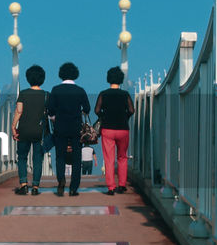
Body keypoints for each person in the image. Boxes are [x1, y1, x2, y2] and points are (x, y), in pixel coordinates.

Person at [45, 61, 90, 197]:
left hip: (60, 127)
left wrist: (54, 117)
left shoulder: (56, 90)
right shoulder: (80, 91)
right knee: (76, 157)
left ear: (61, 75)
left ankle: (61, 181)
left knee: (60, 156)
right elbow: (87, 109)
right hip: (76, 127)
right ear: (75, 75)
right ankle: (73, 188)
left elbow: (50, 109)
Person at [95, 66, 134, 195]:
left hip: (108, 129)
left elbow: (96, 110)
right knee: (122, 157)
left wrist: (103, 117)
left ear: (108, 79)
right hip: (123, 129)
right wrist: (125, 117)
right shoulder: (125, 95)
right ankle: (122, 185)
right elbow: (131, 110)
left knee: (109, 158)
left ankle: (111, 187)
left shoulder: (103, 94)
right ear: (121, 79)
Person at [12, 65, 48, 195]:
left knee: (22, 157)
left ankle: (23, 184)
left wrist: (13, 126)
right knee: (38, 159)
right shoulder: (45, 95)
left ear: (28, 79)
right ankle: (35, 187)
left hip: (24, 130)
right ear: (42, 79)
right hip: (39, 131)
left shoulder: (23, 94)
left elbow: (19, 110)